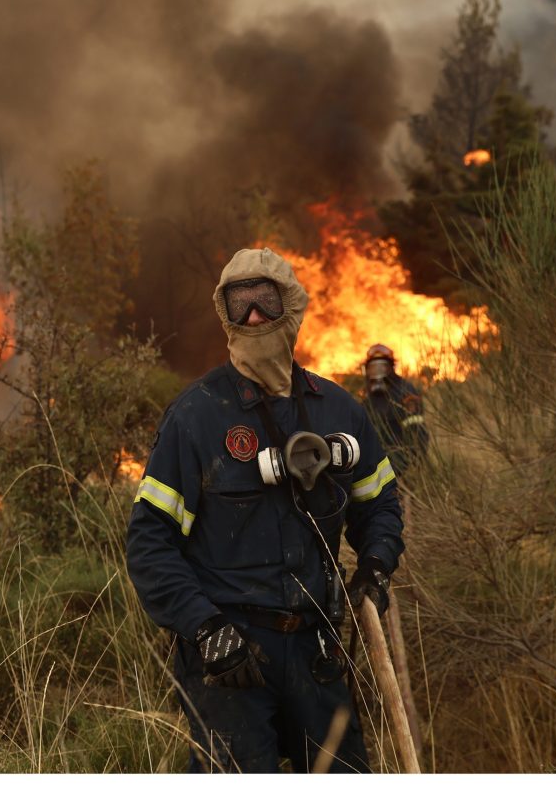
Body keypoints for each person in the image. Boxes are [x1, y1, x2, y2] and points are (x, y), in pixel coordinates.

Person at [126, 248, 405, 773]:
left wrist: (376, 564)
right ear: (224, 315)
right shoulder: (196, 417)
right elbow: (150, 543)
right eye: (239, 305)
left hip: (316, 649)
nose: (253, 318)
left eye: (265, 302)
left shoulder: (339, 410)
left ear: (292, 308)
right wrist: (205, 629)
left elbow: (381, 504)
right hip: (229, 659)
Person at [361, 343, 430, 477]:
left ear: (391, 368)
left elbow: (418, 433)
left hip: (401, 464)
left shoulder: (405, 392)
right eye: (373, 368)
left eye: (382, 367)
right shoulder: (367, 397)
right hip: (376, 466)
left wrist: (413, 467)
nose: (377, 373)